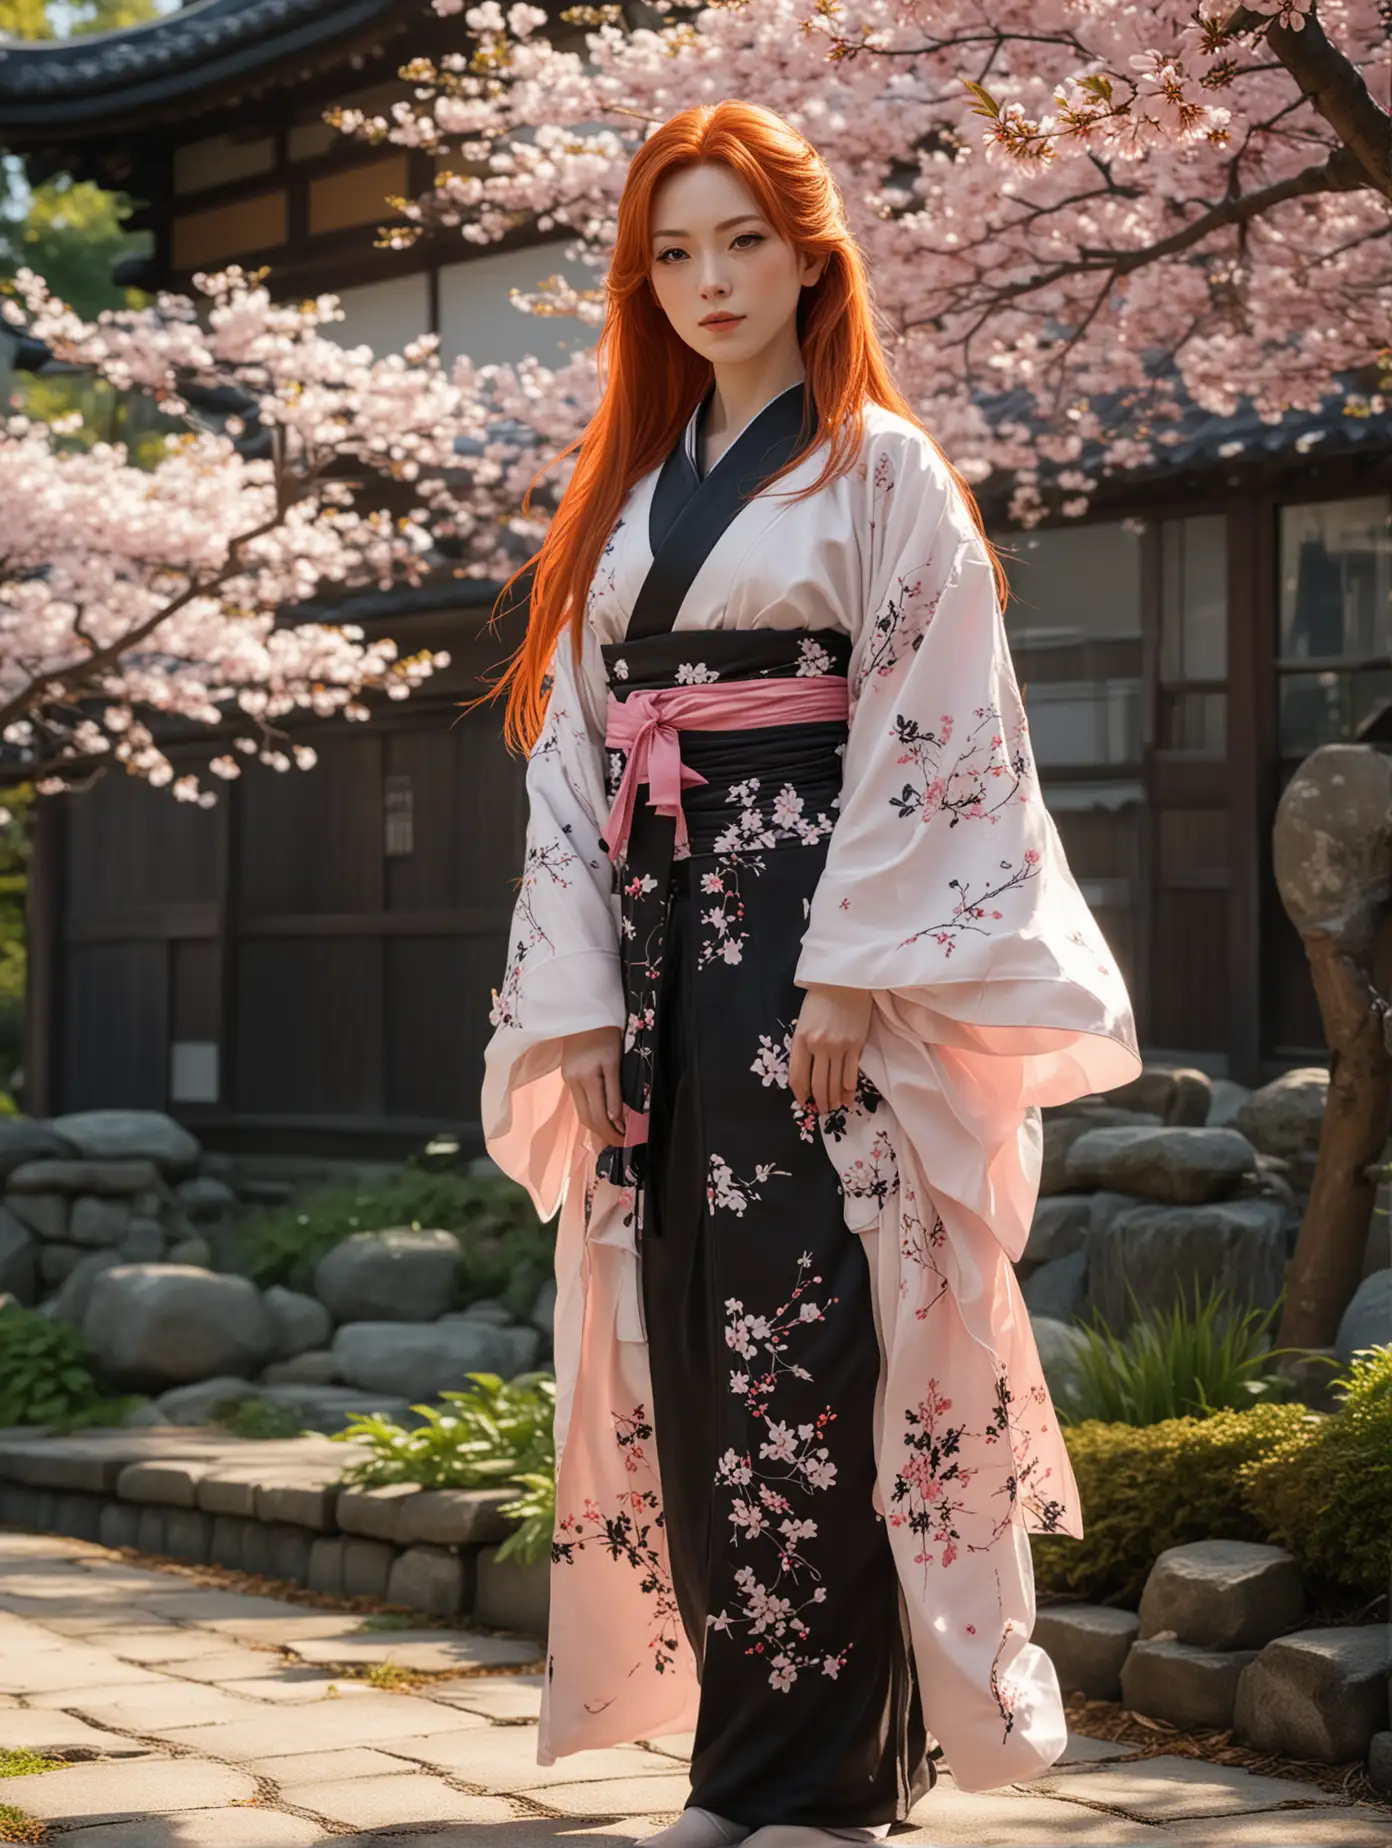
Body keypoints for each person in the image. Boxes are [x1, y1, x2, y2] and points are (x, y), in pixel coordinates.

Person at [479, 99, 1140, 1847]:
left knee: (816, 1340)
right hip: (656, 959)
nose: (709, 280)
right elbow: (575, 748)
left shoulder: (880, 469)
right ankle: (744, 1768)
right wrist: (574, 1011)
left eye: (742, 241)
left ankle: (825, 1785)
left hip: (813, 952)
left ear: (809, 250)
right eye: (672, 251)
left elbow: (942, 724)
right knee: (688, 1342)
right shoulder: (629, 489)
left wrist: (852, 973)